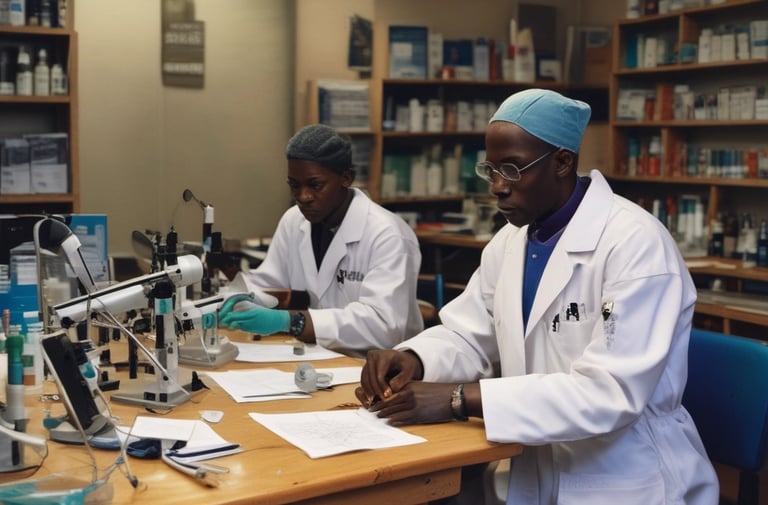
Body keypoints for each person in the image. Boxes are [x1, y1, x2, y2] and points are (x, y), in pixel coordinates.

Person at [356, 89, 718, 504]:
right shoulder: (510, 242)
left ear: (562, 162)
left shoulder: (635, 244)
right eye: (491, 169)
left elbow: (609, 393)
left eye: (511, 169)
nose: (497, 187)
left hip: (625, 474)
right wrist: (413, 358)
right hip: (532, 463)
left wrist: (459, 399)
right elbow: (469, 333)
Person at [218, 124, 424, 356]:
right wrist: (242, 299)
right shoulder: (294, 221)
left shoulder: (387, 234)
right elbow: (269, 283)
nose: (303, 197)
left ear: (346, 178)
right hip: (318, 355)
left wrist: (292, 321)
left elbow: (384, 326)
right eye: (294, 186)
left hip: (376, 366)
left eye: (315, 185)